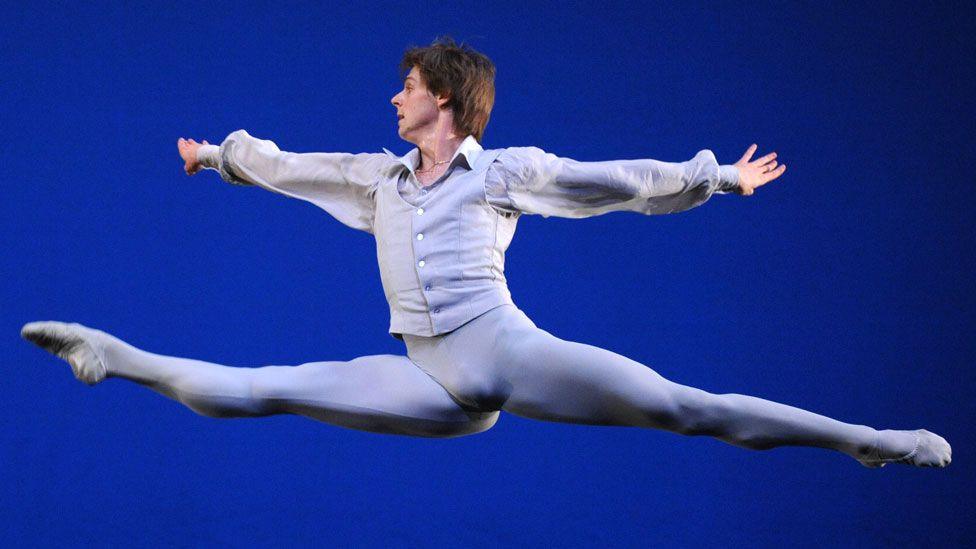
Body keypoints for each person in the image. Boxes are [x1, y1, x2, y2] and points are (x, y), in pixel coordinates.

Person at [22, 36, 950, 468]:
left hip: (501, 348)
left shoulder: (504, 171)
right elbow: (288, 165)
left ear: (447, 101)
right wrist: (216, 156)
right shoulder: (380, 179)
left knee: (685, 407)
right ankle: (115, 356)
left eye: (410, 87)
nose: (396, 100)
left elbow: (617, 181)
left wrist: (717, 178)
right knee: (263, 390)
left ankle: (870, 443)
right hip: (430, 378)